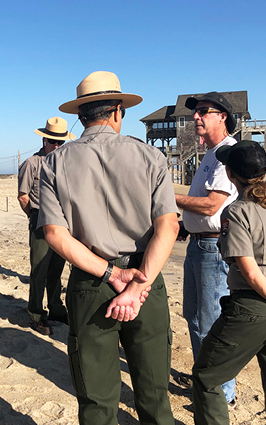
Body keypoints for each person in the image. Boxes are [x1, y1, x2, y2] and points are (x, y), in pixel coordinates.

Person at [39, 71, 179, 425]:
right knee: (154, 395)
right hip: (145, 280)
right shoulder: (150, 157)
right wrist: (137, 284)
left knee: (97, 402)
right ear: (118, 110)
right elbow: (169, 226)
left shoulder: (55, 162)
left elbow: (55, 234)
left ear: (82, 115)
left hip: (91, 280)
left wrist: (111, 273)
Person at [191, 140, 266, 425]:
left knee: (206, 378)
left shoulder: (236, 212)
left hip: (254, 306)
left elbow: (251, 273)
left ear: (231, 176)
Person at [173, 91, 238, 405]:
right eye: (195, 112)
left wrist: (167, 196)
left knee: (210, 322)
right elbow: (204, 208)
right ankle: (206, 380)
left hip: (214, 249)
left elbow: (212, 205)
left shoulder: (228, 153)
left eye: (203, 111)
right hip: (200, 245)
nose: (196, 117)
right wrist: (186, 224)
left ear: (222, 116)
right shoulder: (211, 153)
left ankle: (220, 394)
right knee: (195, 318)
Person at [17, 117, 75, 335]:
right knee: (39, 270)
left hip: (63, 222)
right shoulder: (32, 164)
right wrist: (34, 217)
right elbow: (23, 196)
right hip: (41, 220)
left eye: (61, 142)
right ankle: (36, 313)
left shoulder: (67, 163)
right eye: (53, 141)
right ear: (44, 141)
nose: (57, 145)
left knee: (56, 269)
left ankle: (56, 309)